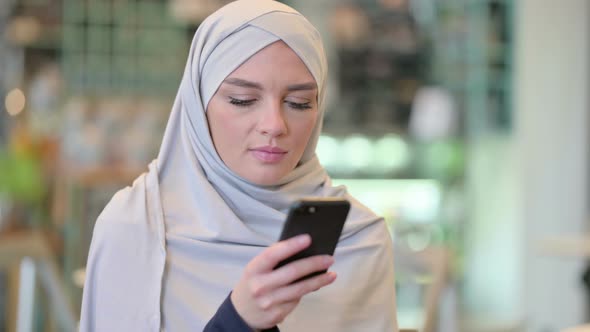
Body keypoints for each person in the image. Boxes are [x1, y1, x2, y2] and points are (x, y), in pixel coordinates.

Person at [79, 1, 398, 331]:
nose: (274, 125)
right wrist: (237, 321)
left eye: (299, 103)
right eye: (242, 100)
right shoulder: (136, 226)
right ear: (198, 104)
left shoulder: (357, 240)